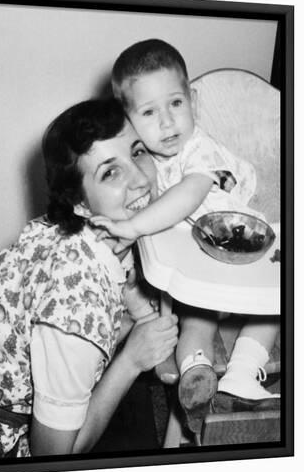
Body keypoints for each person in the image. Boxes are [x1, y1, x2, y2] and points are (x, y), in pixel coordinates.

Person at [90, 39, 280, 433]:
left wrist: (133, 227)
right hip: (196, 268)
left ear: (192, 100)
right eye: (148, 112)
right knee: (195, 316)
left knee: (274, 307)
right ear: (128, 120)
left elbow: (188, 194)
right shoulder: (142, 161)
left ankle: (242, 373)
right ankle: (197, 374)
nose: (167, 122)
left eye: (176, 104)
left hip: (244, 252)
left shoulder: (200, 148)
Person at [0, 98, 178, 457]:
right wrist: (132, 360)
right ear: (79, 203)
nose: (140, 179)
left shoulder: (88, 232)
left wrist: (129, 314)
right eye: (110, 172)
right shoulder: (74, 310)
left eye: (137, 152)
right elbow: (52, 455)